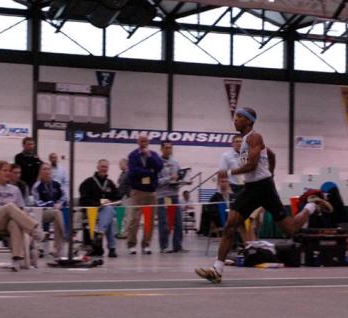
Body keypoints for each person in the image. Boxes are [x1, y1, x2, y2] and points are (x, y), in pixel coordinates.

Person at [196, 107, 332, 283]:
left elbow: (252, 166)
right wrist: (272, 172)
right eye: (235, 117)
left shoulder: (255, 137)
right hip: (251, 188)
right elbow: (272, 155)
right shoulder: (246, 141)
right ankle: (217, 270)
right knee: (230, 225)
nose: (235, 120)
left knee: (289, 229)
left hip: (264, 188)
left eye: (239, 117)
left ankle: (311, 205)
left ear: (249, 121)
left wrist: (229, 173)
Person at [0, 161, 44, 269]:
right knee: (9, 206)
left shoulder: (15, 190)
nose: (8, 173)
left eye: (9, 171)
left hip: (9, 221)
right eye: (4, 170)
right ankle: (34, 228)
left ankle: (16, 260)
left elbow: (21, 210)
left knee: (14, 223)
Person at [126, 134, 163, 255]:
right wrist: (150, 172)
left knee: (149, 220)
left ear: (148, 142)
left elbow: (159, 166)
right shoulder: (133, 155)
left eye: (146, 141)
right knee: (134, 220)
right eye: (142, 141)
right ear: (138, 142)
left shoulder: (153, 154)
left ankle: (146, 245)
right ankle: (131, 245)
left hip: (151, 192)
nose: (144, 142)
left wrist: (149, 156)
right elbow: (133, 171)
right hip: (137, 192)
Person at [79, 159, 120, 258]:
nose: (104, 169)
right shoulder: (88, 182)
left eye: (106, 167)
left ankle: (99, 232)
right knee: (109, 218)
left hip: (106, 211)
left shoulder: (110, 183)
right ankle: (112, 248)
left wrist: (108, 203)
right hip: (92, 211)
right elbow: (83, 200)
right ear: (97, 167)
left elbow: (118, 198)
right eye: (102, 166)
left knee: (109, 210)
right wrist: (98, 204)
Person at [156, 141, 186, 253]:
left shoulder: (175, 162)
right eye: (167, 148)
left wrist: (184, 181)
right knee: (164, 222)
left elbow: (178, 177)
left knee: (178, 221)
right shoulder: (157, 163)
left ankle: (177, 245)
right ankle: (164, 246)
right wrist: (169, 179)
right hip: (163, 196)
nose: (169, 150)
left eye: (170, 148)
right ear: (162, 149)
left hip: (174, 195)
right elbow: (156, 181)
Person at [32, 163, 66, 258]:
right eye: (44, 169)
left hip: (56, 212)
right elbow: (37, 202)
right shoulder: (37, 186)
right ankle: (66, 235)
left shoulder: (57, 184)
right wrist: (51, 204)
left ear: (51, 171)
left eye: (48, 169)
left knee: (58, 214)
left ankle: (57, 249)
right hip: (42, 212)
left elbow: (64, 197)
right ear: (40, 172)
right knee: (57, 213)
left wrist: (60, 204)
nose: (46, 171)